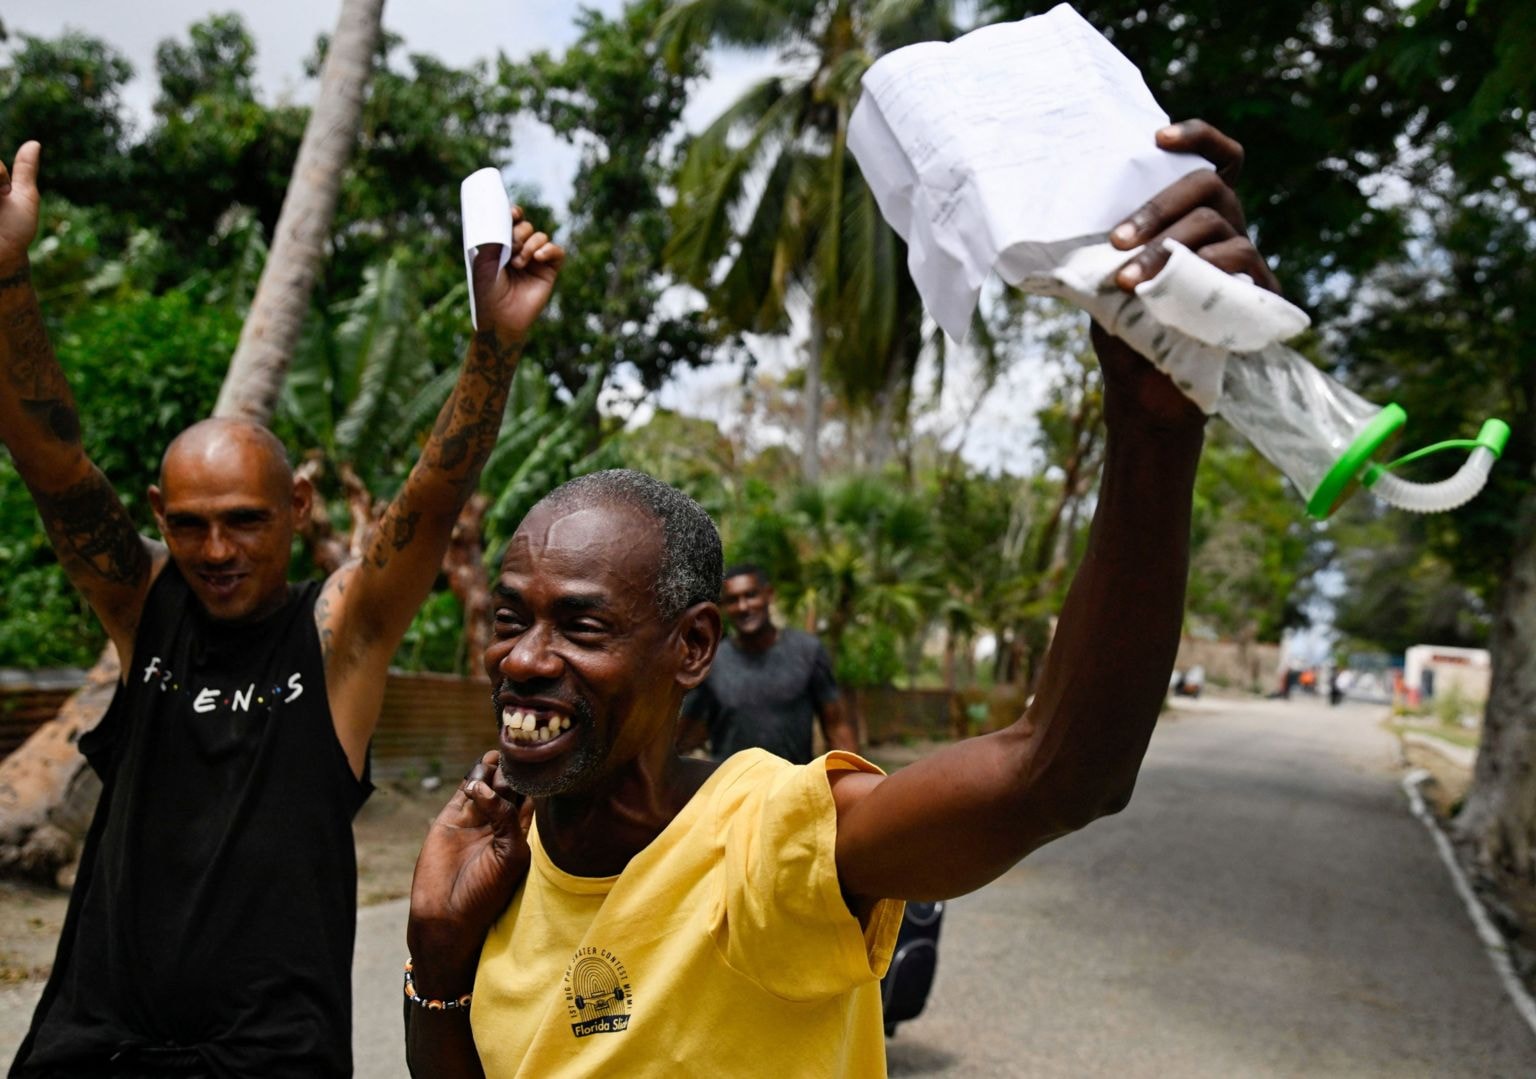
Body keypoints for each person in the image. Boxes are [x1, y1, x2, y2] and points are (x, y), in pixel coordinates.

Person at [403, 119, 1280, 1077]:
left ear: (692, 646)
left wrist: (1153, 430)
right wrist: (437, 954)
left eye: (581, 625)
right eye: (510, 618)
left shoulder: (762, 847)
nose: (525, 657)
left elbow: (1059, 774)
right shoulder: (494, 858)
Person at [0, 140, 565, 1077]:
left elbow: (429, 502)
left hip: (269, 1058)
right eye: (191, 525)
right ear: (159, 516)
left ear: (299, 507)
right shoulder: (145, 603)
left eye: (245, 521)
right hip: (92, 1046)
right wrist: (9, 278)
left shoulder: (337, 636)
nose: (217, 551)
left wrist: (493, 349)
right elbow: (51, 461)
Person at [677, 563, 858, 763]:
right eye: (733, 600)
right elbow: (685, 735)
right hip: (735, 782)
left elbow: (836, 726)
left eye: (751, 595)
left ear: (769, 594)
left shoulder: (807, 651)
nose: (743, 607)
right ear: (723, 607)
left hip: (794, 780)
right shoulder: (711, 662)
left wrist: (854, 775)